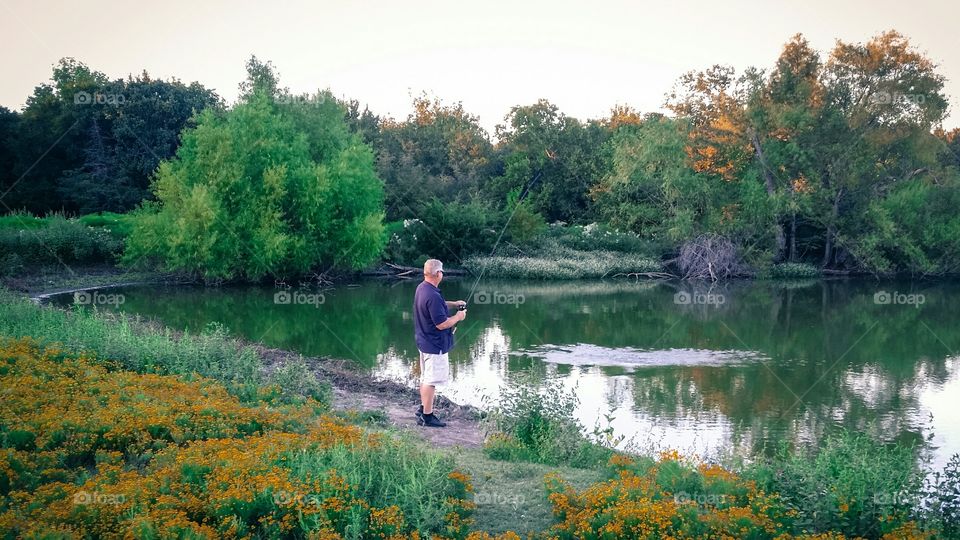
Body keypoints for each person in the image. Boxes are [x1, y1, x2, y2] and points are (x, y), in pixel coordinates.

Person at [412, 259, 467, 427]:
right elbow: (441, 324)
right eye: (442, 272)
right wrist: (458, 316)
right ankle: (428, 417)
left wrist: (454, 304)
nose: (442, 274)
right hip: (435, 346)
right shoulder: (433, 295)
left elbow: (437, 306)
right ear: (437, 274)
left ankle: (423, 409)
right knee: (431, 381)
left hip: (425, 342)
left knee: (426, 378)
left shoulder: (423, 288)